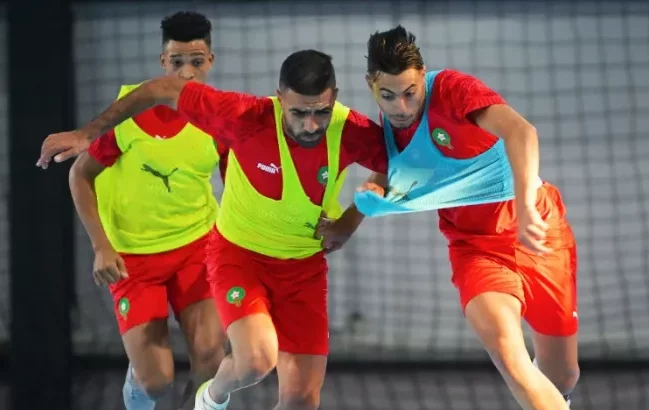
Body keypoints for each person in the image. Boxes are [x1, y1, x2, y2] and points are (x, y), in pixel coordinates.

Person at [38, 49, 387, 410]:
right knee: (254, 359)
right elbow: (161, 89)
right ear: (280, 98)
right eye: (299, 113)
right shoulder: (243, 116)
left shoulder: (351, 130)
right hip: (240, 257)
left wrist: (351, 220)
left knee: (301, 400)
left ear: (335, 97)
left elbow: (396, 162)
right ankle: (211, 398)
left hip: (304, 266)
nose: (311, 125)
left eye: (321, 112)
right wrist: (88, 133)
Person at [320, 26, 580, 410]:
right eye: (387, 96)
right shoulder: (389, 122)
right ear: (370, 84)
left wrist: (525, 203)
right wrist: (348, 222)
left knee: (561, 376)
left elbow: (521, 132)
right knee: (511, 357)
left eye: (410, 93)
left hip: (535, 227)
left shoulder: (454, 90)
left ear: (422, 74)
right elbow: (398, 169)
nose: (401, 107)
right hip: (475, 248)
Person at [66, 12, 228, 410]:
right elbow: (79, 177)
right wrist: (101, 247)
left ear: (211, 60)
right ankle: (139, 379)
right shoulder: (128, 113)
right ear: (162, 62)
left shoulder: (221, 118)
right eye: (176, 62)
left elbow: (240, 191)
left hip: (195, 248)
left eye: (196, 61)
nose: (186, 74)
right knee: (157, 382)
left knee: (212, 360)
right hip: (132, 259)